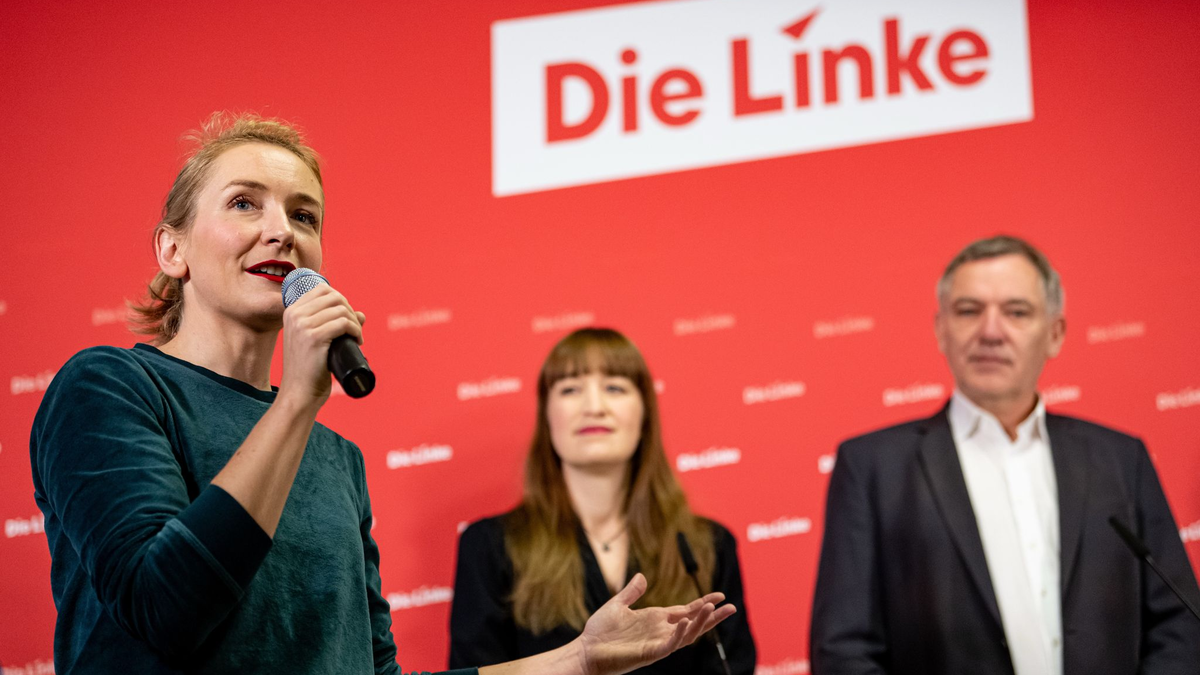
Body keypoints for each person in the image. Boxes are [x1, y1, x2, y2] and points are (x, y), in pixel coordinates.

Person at [29, 114, 734, 675]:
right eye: (245, 202)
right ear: (172, 251)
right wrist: (299, 399)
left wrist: (574, 659)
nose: (281, 230)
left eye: (305, 216)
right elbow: (166, 608)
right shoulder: (107, 386)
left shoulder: (335, 457)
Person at [810, 235, 1200, 675]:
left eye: (1017, 312)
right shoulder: (873, 467)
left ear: (1055, 334)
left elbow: (1179, 623)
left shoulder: (1119, 459)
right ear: (941, 330)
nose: (991, 332)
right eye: (969, 311)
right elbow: (843, 649)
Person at [449, 328, 756, 674]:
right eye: (570, 389)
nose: (593, 407)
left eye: (614, 388)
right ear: (547, 416)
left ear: (644, 416)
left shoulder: (709, 545)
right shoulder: (489, 547)